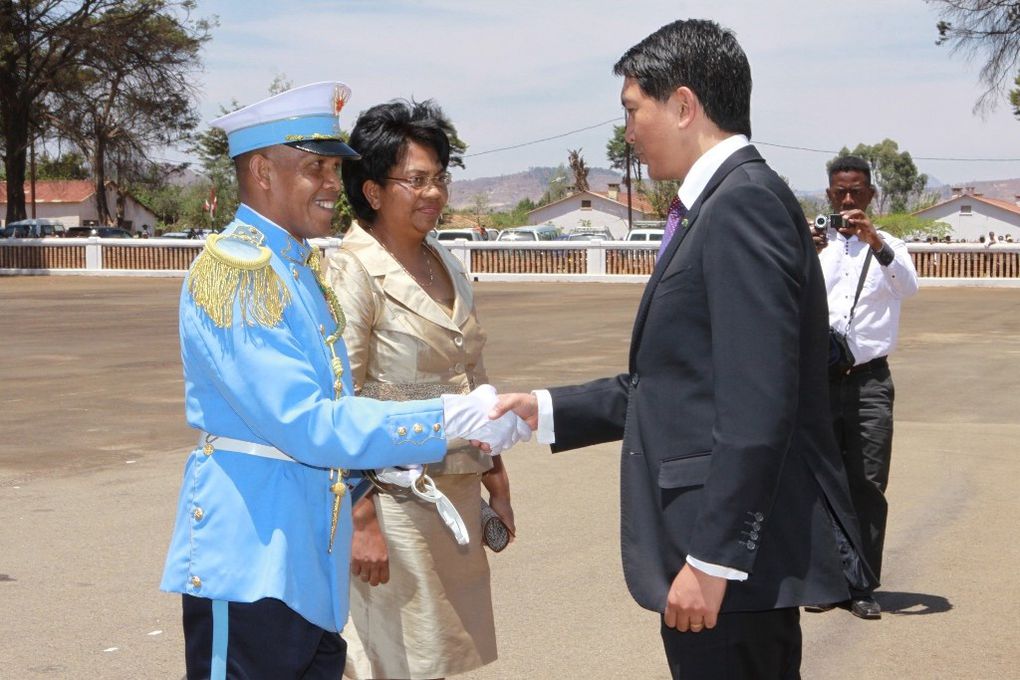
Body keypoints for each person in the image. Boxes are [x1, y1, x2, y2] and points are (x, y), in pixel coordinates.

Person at [492, 19, 874, 679]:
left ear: (684, 105)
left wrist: (713, 560)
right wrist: (544, 409)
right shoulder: (724, 206)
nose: (627, 133)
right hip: (726, 571)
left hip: (728, 578)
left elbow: (759, 404)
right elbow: (680, 381)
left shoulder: (741, 206)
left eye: (633, 110)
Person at [159, 81, 527, 680]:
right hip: (252, 559)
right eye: (316, 168)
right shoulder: (238, 274)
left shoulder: (298, 269)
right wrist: (446, 419)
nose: (334, 184)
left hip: (307, 564)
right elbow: (310, 423)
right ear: (260, 171)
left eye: (334, 168)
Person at [324, 99, 511, 679]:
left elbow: (472, 377)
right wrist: (360, 521)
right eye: (417, 180)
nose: (433, 193)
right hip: (391, 500)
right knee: (393, 657)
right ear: (374, 191)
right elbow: (338, 405)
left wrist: (495, 477)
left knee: (441, 656)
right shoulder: (351, 271)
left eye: (440, 178)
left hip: (453, 492)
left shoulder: (445, 264)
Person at [811, 155, 919, 619]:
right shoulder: (817, 246)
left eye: (857, 191)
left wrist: (875, 242)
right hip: (819, 380)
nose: (849, 199)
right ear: (829, 196)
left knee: (868, 484)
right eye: (840, 192)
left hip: (870, 382)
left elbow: (908, 287)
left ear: (871, 195)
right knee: (821, 483)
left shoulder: (889, 245)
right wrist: (805, 248)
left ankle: (861, 585)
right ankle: (826, 580)